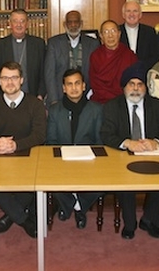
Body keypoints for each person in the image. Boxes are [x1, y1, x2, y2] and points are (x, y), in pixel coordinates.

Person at [100, 62, 159, 240]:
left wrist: (156, 142)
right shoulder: (112, 106)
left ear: (145, 88)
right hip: (123, 157)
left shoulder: (157, 105)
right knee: (125, 181)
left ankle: (150, 221)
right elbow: (106, 134)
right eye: (131, 84)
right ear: (124, 87)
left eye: (139, 84)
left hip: (152, 156)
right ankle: (130, 224)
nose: (135, 88)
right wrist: (127, 142)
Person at [0, 61, 46, 238]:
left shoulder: (35, 104)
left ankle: (10, 217)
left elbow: (40, 135)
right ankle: (24, 220)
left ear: (22, 80)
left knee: (32, 181)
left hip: (29, 157)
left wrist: (16, 145)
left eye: (14, 78)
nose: (10, 82)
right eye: (5, 78)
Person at [46, 69, 103, 229]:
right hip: (62, 162)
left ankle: (74, 205)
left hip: (89, 163)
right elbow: (51, 141)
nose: (74, 88)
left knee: (103, 180)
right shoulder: (55, 110)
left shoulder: (96, 110)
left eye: (77, 83)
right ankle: (76, 205)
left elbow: (99, 142)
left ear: (84, 86)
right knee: (49, 178)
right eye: (69, 84)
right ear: (63, 88)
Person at [44, 10, 99, 107]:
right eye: (70, 22)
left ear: (81, 23)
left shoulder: (93, 44)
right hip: (60, 98)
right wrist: (53, 101)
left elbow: (96, 73)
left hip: (85, 98)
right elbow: (49, 74)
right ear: (65, 24)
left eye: (76, 22)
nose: (73, 25)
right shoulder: (54, 43)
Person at [0, 9, 46, 99]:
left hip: (32, 97)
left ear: (27, 24)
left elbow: (43, 72)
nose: (19, 25)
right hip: (7, 98)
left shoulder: (38, 44)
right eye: (15, 21)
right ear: (10, 23)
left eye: (22, 21)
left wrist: (40, 95)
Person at [89, 19, 138, 104]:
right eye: (106, 32)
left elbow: (134, 81)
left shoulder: (129, 55)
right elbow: (95, 84)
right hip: (101, 101)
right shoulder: (96, 56)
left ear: (119, 34)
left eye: (113, 31)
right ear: (101, 35)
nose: (110, 36)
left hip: (124, 101)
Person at [119, 0, 159, 71]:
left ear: (140, 15)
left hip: (144, 73)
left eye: (135, 11)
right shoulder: (116, 32)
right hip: (121, 73)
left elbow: (155, 56)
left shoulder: (150, 32)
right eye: (128, 11)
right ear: (123, 15)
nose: (131, 14)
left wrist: (140, 67)